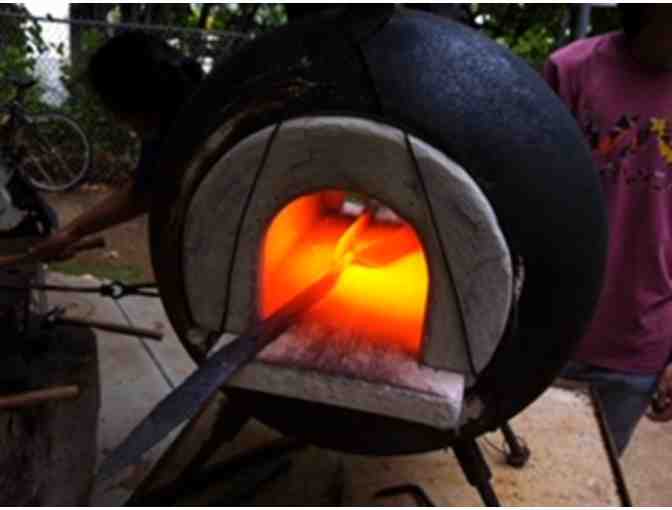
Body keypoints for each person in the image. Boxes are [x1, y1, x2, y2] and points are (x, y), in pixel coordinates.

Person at [544, 4, 672, 455]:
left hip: (640, 344)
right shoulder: (571, 70)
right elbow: (527, 198)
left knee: (592, 479)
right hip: (549, 330)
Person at [25, 30, 203, 261]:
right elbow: (142, 192)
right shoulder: (172, 116)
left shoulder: (186, 131)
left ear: (135, 100)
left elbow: (140, 196)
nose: (118, 121)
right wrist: (70, 233)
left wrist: (71, 233)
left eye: (112, 109)